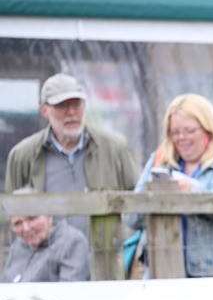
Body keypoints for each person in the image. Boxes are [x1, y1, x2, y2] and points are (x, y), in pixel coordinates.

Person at [124, 94, 213, 277]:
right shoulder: (158, 163)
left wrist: (193, 192)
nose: (182, 138)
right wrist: (154, 192)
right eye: (175, 132)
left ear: (209, 130)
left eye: (190, 131)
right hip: (160, 276)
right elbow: (131, 218)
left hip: (212, 278)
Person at [4, 73, 140, 235]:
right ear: (44, 110)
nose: (71, 112)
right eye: (62, 106)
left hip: (105, 256)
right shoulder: (22, 155)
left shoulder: (116, 148)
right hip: (45, 257)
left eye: (76, 104)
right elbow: (13, 215)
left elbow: (138, 206)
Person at [2, 187, 91, 282]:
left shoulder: (72, 242)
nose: (26, 228)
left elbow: (69, 293)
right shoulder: (18, 245)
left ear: (48, 215)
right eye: (17, 223)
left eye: (32, 219)